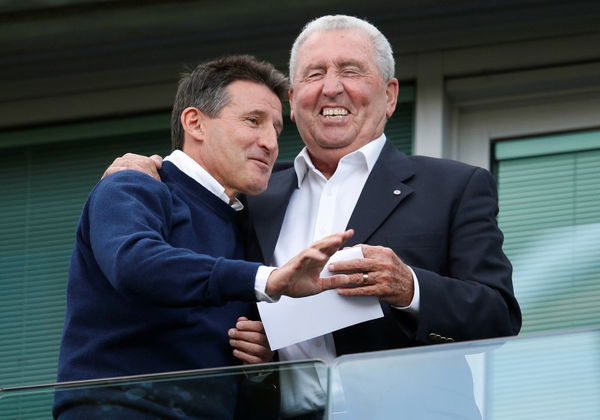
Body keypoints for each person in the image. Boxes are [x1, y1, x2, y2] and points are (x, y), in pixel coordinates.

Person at [104, 15, 522, 419]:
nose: (331, 88)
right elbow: (188, 247)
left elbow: (498, 317)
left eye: (351, 71)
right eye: (314, 74)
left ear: (390, 95)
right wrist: (147, 168)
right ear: (292, 101)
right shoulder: (252, 195)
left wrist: (409, 287)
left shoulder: (452, 186)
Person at [54, 54, 356, 420]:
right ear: (195, 123)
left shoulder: (246, 220)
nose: (270, 142)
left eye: (276, 130)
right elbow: (136, 264)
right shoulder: (133, 185)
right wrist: (267, 279)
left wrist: (259, 358)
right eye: (253, 121)